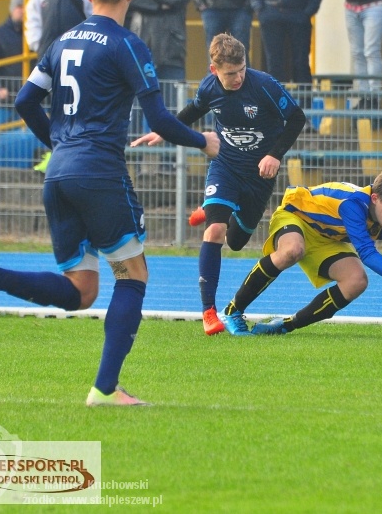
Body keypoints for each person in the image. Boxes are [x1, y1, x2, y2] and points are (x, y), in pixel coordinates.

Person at [0, 0, 221, 407]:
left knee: (82, 291)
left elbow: (24, 101)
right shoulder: (127, 44)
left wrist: (59, 144)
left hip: (58, 174)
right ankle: (105, 390)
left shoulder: (61, 41)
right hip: (99, 172)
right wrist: (203, 141)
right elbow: (159, 119)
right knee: (132, 274)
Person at [130, 33, 306, 337]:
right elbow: (194, 110)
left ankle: (216, 207)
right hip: (225, 167)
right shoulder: (209, 87)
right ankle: (209, 311)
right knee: (215, 231)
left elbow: (297, 118)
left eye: (242, 70)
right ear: (214, 70)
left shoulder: (264, 85)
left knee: (236, 241)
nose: (238, 78)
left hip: (259, 177)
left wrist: (275, 155)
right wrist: (163, 130)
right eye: (230, 73)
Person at [220, 170, 382, 336]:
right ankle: (232, 311)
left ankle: (284, 326)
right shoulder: (353, 204)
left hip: (328, 238)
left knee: (356, 281)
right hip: (297, 218)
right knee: (292, 250)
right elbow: (367, 253)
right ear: (375, 198)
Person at [248, 0, 325, 87]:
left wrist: (309, 11)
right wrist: (259, 8)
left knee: (300, 63)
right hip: (270, 13)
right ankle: (276, 99)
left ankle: (303, 99)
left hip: (299, 14)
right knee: (274, 63)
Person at [127, 0, 193, 109]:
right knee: (135, 112)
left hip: (171, 55)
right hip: (139, 54)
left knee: (172, 110)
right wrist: (160, 6)